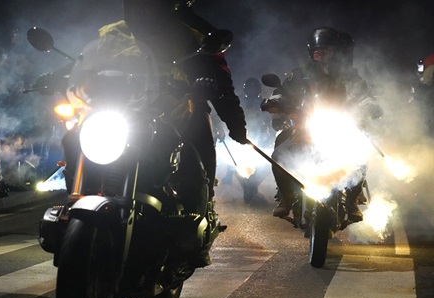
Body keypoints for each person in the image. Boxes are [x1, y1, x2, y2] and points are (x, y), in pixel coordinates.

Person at [122, 0, 247, 266]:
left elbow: (221, 82)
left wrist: (235, 121)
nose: (142, 7)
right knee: (75, 138)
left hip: (177, 116)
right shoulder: (115, 33)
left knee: (196, 154)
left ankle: (198, 222)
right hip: (125, 115)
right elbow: (88, 63)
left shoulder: (196, 34)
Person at [262, 26, 381, 222]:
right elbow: (284, 90)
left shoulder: (348, 74)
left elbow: (363, 94)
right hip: (307, 124)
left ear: (335, 50)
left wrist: (370, 105)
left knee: (361, 153)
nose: (320, 52)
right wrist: (275, 100)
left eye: (325, 48)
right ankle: (287, 197)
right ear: (311, 52)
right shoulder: (299, 74)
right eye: (317, 50)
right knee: (279, 152)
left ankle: (351, 200)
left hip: (340, 125)